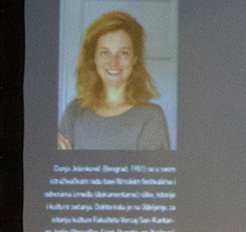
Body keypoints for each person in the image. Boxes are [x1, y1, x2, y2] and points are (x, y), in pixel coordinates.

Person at [58, 11, 171, 150]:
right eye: (105, 53)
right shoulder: (74, 111)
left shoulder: (151, 116)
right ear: (93, 58)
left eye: (123, 53)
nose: (113, 62)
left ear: (135, 58)